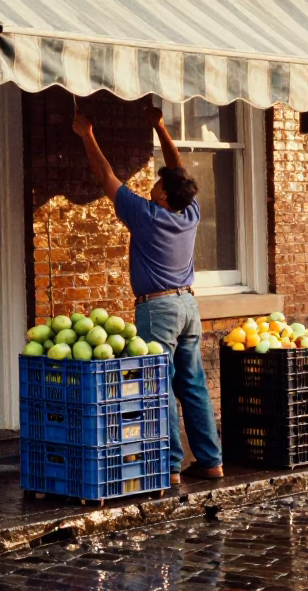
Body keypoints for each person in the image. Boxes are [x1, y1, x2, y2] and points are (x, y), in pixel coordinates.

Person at [72, 104, 224, 484]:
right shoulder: (188, 212)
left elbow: (104, 176)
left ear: (163, 196)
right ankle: (211, 461)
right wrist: (159, 127)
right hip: (189, 304)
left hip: (158, 309)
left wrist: (86, 134)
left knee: (159, 384)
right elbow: (178, 172)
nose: (153, 183)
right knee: (191, 384)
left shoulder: (147, 215)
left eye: (158, 184)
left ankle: (170, 465)